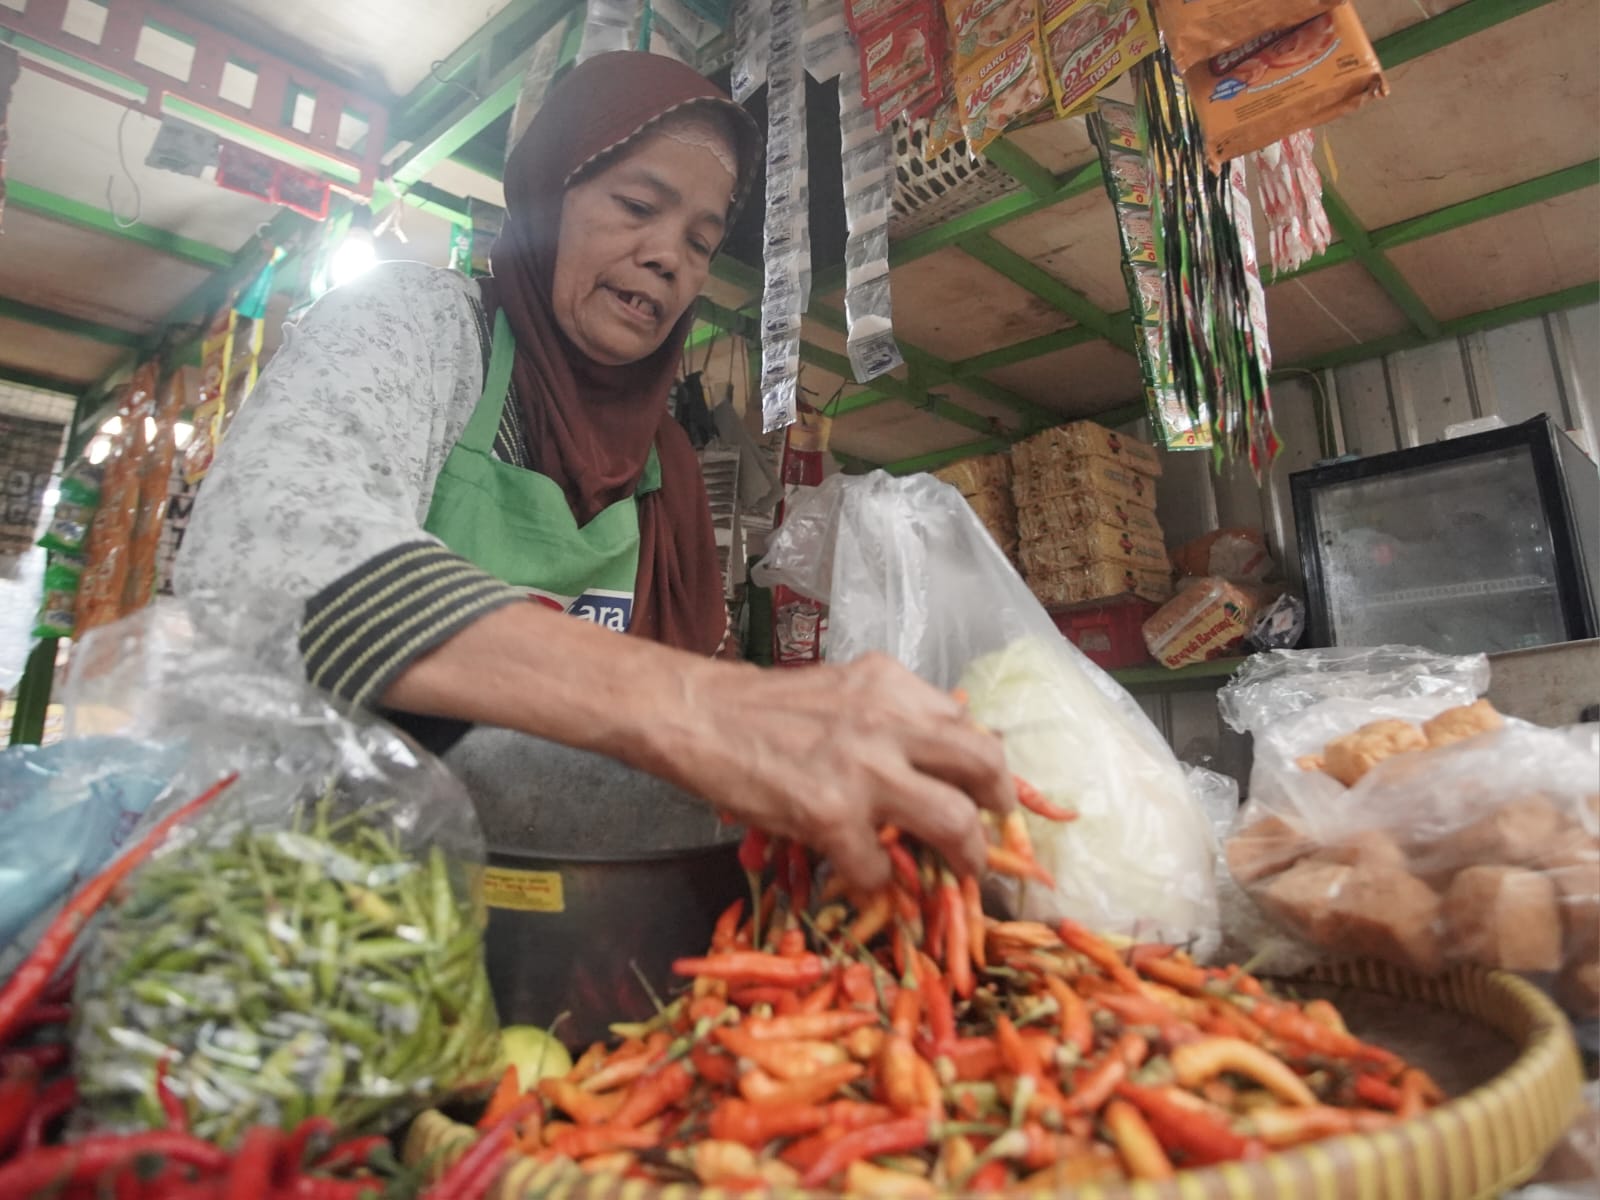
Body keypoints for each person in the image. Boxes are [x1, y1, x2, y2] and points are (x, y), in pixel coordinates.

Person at [177, 52, 1014, 893]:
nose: (668, 258)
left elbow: (701, 727)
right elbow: (266, 548)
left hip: (575, 918)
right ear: (548, 195)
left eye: (700, 240)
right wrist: (695, 709)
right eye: (638, 206)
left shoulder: (667, 467)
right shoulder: (420, 328)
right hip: (319, 903)